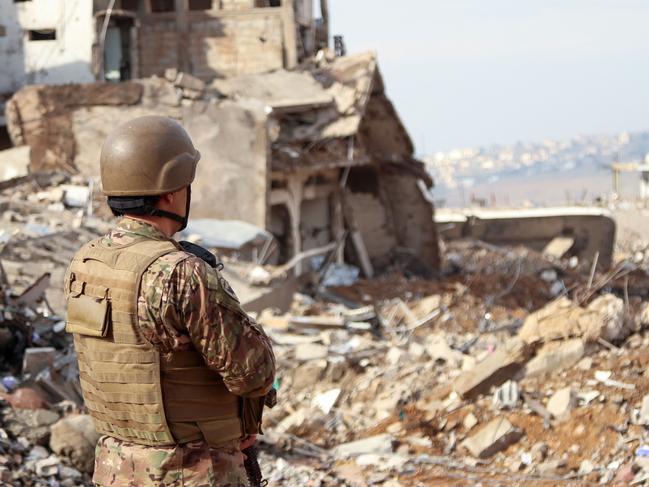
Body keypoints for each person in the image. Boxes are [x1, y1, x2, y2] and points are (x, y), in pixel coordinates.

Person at [64, 115, 276, 486]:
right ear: (171, 192)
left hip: (115, 470)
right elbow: (253, 373)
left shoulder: (86, 263)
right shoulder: (181, 273)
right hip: (190, 470)